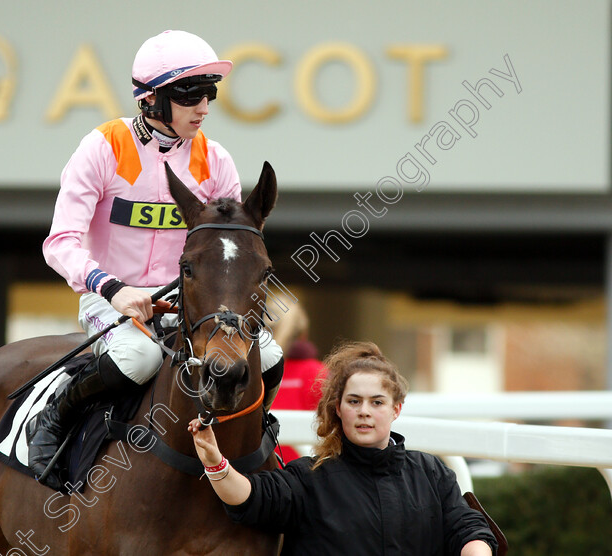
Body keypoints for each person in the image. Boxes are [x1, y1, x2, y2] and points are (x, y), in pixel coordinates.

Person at [29, 30, 284, 483]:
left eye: (210, 93)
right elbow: (60, 242)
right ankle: (56, 417)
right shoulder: (102, 147)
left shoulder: (216, 160)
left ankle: (256, 430)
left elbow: (228, 249)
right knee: (140, 358)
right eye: (190, 95)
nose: (203, 107)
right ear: (151, 100)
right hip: (109, 296)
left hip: (188, 300)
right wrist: (114, 290)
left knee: (269, 355)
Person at [188, 341, 498, 555]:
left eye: (377, 402)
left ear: (396, 410)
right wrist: (215, 461)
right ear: (338, 409)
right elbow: (250, 497)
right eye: (354, 401)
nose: (364, 411)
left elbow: (469, 529)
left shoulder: (433, 473)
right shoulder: (308, 477)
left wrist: (476, 549)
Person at [269, 303, 326, 463]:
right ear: (304, 335)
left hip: (255, 475)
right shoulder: (318, 373)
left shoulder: (247, 373)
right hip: (302, 472)